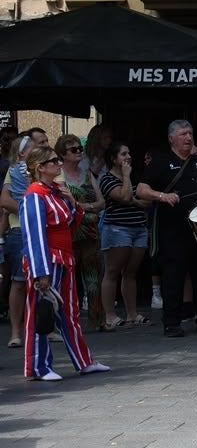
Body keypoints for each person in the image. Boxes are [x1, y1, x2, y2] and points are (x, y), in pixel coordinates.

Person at [20, 146, 110, 380]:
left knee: (69, 312)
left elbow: (71, 221)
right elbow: (35, 235)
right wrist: (41, 272)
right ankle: (39, 367)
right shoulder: (34, 195)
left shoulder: (54, 192)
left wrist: (70, 199)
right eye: (54, 161)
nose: (59, 164)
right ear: (41, 167)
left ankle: (83, 360)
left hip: (64, 257)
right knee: (42, 313)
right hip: (48, 260)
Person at [136, 120, 197, 337]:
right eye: (183, 134)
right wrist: (162, 196)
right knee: (173, 276)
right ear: (171, 138)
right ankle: (171, 322)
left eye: (190, 133)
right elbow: (141, 190)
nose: (188, 138)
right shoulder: (161, 161)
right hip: (172, 230)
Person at [98, 142, 151, 329]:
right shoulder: (106, 179)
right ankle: (110, 316)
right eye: (123, 154)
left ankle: (131, 313)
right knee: (112, 271)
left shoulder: (135, 178)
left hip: (138, 228)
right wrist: (126, 178)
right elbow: (125, 197)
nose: (128, 157)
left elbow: (146, 202)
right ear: (113, 159)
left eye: (129, 153)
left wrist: (132, 199)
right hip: (117, 229)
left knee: (131, 272)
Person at [55, 134, 105, 328]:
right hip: (69, 233)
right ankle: (69, 321)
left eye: (79, 149)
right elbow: (61, 206)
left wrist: (83, 207)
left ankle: (96, 320)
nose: (79, 152)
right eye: (73, 149)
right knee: (69, 279)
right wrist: (85, 208)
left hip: (90, 231)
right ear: (62, 154)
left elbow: (101, 202)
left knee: (93, 277)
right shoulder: (59, 177)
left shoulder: (87, 174)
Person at [1, 132, 41, 348]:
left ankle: (43, 327)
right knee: (18, 282)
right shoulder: (15, 171)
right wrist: (30, 211)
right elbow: (5, 200)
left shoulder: (45, 167)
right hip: (19, 230)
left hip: (41, 230)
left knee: (42, 281)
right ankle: (16, 331)